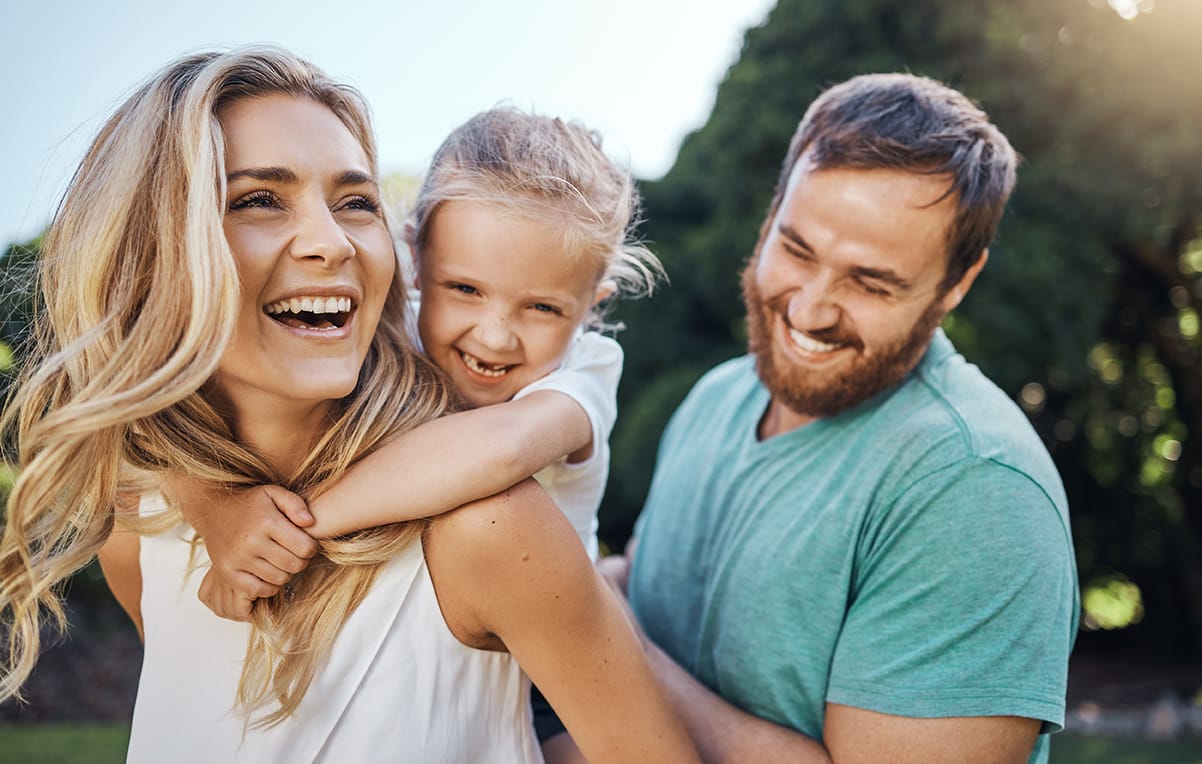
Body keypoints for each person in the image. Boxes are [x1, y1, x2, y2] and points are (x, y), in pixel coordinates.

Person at [0, 46, 698, 764]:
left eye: (353, 201)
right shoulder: (142, 520)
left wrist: (298, 529)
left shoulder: (492, 520)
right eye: (259, 199)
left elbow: (503, 445)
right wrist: (210, 498)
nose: (331, 243)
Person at [594, 73, 1079, 764]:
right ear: (770, 219)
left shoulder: (977, 490)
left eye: (871, 282)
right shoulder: (714, 398)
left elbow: (612, 631)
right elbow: (642, 591)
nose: (811, 309)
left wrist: (599, 640)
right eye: (796, 250)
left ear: (957, 283)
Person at [184, 106, 659, 625]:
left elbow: (498, 448)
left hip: (549, 654)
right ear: (414, 254)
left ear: (593, 304)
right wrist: (215, 508)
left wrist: (288, 529)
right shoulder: (382, 333)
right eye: (464, 290)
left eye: (543, 308)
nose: (495, 336)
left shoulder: (585, 369)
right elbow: (163, 412)